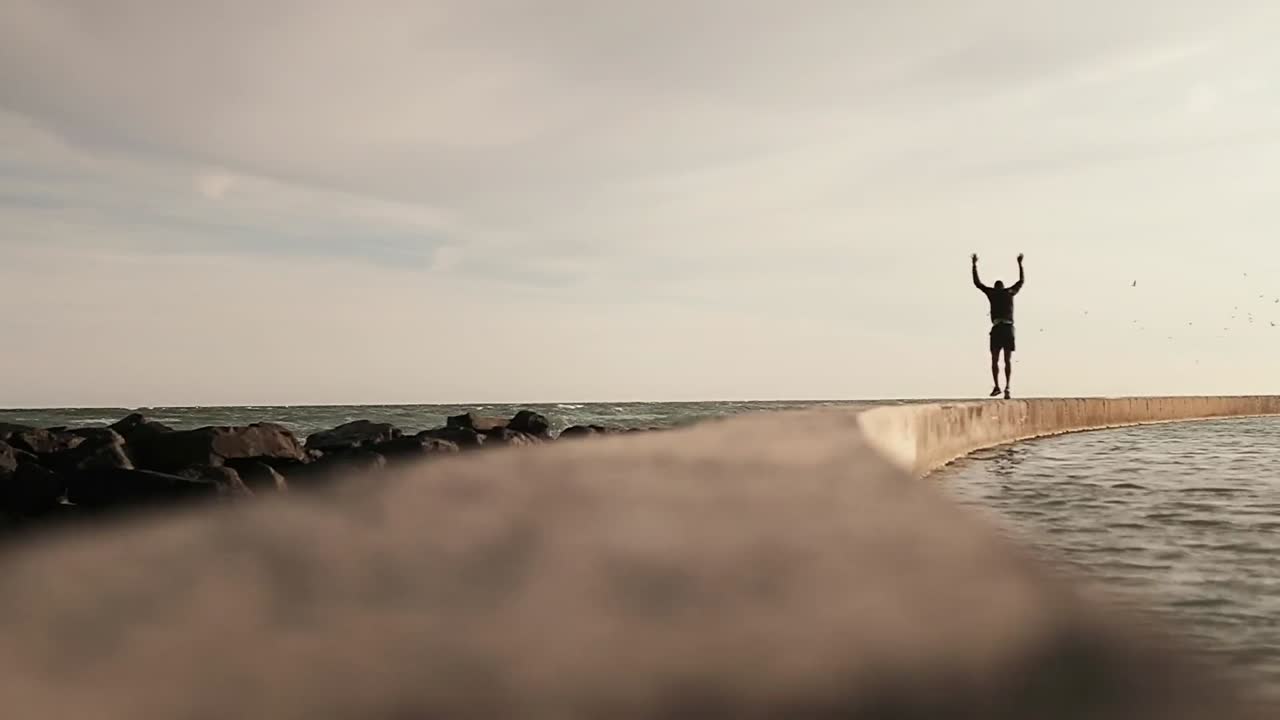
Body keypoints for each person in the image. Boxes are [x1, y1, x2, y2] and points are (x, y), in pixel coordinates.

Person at [972, 253, 1024, 399]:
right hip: (1008, 328)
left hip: (998, 328)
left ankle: (997, 386)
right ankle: (1007, 387)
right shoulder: (1009, 292)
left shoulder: (993, 293)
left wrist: (974, 265)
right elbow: (1021, 280)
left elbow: (978, 283)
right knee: (1007, 359)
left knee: (995, 359)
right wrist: (1020, 264)